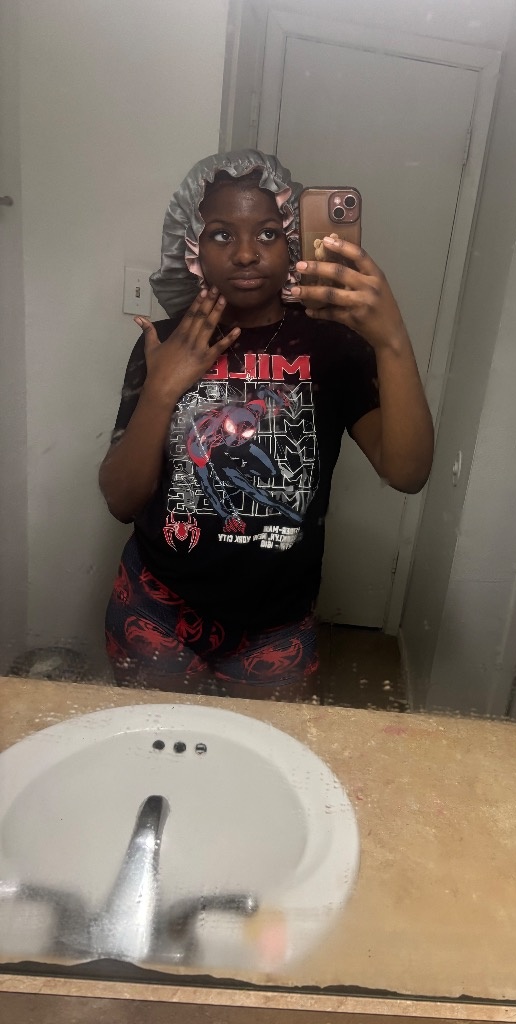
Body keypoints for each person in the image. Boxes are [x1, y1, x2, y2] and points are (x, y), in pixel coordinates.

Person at [100, 150, 433, 702]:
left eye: (269, 233)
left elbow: (408, 472)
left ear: (294, 242)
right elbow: (121, 500)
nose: (246, 253)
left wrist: (391, 340)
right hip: (155, 609)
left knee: (263, 758)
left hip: (277, 628)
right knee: (158, 751)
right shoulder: (166, 341)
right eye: (221, 235)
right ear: (192, 247)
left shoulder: (333, 347)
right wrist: (161, 390)